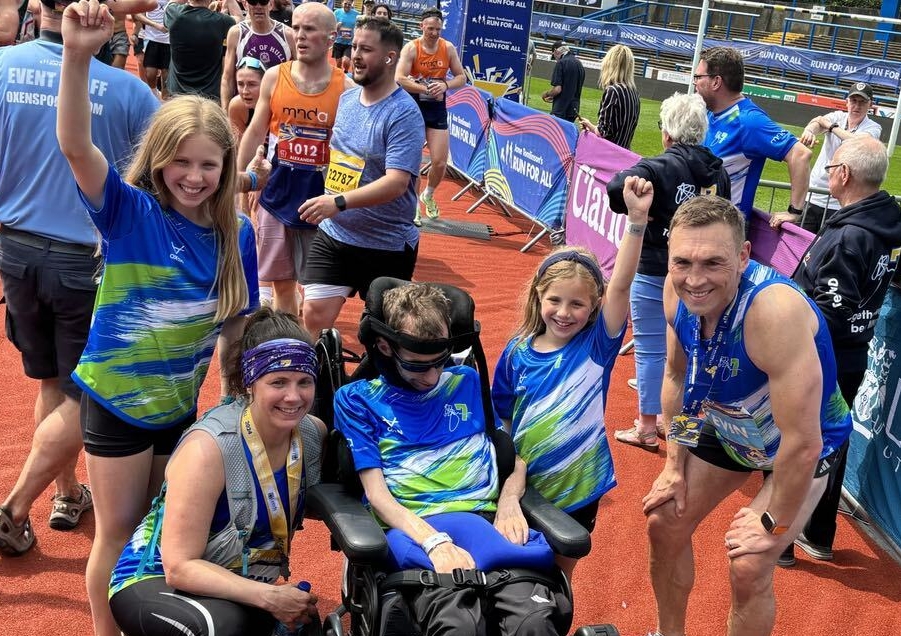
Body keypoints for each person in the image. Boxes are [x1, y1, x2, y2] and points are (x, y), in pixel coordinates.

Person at [56, 1, 264, 633]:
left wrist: (239, 402)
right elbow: (73, 143)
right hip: (118, 399)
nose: (195, 177)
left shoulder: (240, 236)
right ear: (158, 159)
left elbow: (235, 327)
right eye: (182, 162)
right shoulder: (130, 212)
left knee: (153, 526)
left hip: (179, 407)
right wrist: (76, 56)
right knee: (117, 531)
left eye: (210, 164)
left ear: (227, 168)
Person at [641, 195, 852, 636]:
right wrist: (674, 464)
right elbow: (679, 378)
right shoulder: (674, 291)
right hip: (729, 419)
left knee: (750, 564)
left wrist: (772, 521)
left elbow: (803, 442)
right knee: (664, 520)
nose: (694, 280)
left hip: (801, 443)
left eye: (713, 264)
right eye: (683, 262)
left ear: (743, 257)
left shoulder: (773, 313)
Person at [0, 0, 158, 558]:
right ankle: (17, 505)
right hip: (86, 259)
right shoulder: (130, 91)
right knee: (83, 388)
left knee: (52, 383)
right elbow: (165, 176)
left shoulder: (2, 67)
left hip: (15, 250)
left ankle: (66, 492)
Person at [334, 282, 569, 636]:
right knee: (458, 627)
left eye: (439, 363)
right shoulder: (357, 400)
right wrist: (435, 542)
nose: (431, 377)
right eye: (417, 366)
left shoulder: (467, 381)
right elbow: (378, 496)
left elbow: (513, 460)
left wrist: (508, 502)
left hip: (489, 523)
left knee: (534, 624)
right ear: (385, 346)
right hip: (417, 530)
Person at [108, 308, 324, 636]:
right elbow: (179, 568)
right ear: (249, 382)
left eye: (304, 382)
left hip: (234, 581)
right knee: (221, 628)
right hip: (155, 579)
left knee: (306, 624)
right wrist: (270, 596)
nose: (293, 396)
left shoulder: (311, 434)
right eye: (278, 382)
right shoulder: (207, 450)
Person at [491, 177, 652, 580]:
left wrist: (636, 221)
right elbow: (501, 418)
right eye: (555, 301)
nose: (564, 312)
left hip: (580, 487)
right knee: (513, 567)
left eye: (577, 303)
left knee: (561, 577)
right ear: (538, 298)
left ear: (594, 305)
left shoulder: (597, 347)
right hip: (523, 481)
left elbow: (621, 287)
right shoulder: (516, 352)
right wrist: (508, 471)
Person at [778, 135, 901, 568]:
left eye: (831, 169)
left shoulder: (850, 234)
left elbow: (830, 309)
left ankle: (781, 539)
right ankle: (818, 534)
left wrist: (792, 351)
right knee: (831, 443)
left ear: (845, 175)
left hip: (820, 360)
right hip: (853, 356)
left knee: (798, 444)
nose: (828, 174)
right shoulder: (882, 223)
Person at [600, 93, 731, 451]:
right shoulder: (718, 173)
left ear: (668, 132)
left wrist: (647, 205)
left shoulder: (657, 166)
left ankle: (646, 426)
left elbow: (615, 189)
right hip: (701, 279)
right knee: (691, 356)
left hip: (657, 267)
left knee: (651, 348)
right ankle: (682, 433)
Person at [297, 16, 425, 335]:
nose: (355, 54)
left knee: (382, 336)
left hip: (386, 244)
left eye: (365, 49)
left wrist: (338, 202)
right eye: (354, 46)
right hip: (335, 234)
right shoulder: (347, 100)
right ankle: (315, 383)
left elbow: (396, 183)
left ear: (389, 57)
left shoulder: (404, 113)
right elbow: (340, 160)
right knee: (312, 314)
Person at [237, 1, 354, 317]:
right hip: (275, 196)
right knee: (282, 286)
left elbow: (355, 152)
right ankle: (291, 350)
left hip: (320, 202)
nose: (300, 36)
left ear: (331, 37)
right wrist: (239, 178)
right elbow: (255, 130)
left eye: (310, 29)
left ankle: (311, 348)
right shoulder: (275, 77)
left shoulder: (348, 88)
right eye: (297, 28)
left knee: (316, 295)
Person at [694, 46, 811, 221]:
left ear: (716, 82)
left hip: (725, 229)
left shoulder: (748, 121)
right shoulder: (710, 113)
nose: (694, 82)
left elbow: (800, 154)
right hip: (700, 220)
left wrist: (794, 212)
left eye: (698, 77)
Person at [771, 82, 882, 233]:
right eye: (854, 101)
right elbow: (816, 122)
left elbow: (856, 142)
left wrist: (830, 126)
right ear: (847, 102)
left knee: (829, 249)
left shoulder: (873, 127)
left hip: (841, 201)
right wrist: (810, 131)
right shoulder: (837, 116)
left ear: (870, 104)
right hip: (814, 194)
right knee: (802, 245)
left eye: (862, 102)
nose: (857, 106)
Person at [396, 6, 466, 225]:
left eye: (438, 29)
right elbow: (399, 77)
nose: (434, 33)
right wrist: (424, 88)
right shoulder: (412, 48)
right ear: (421, 27)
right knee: (413, 160)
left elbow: (461, 77)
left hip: (436, 108)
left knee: (439, 161)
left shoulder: (448, 48)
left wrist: (445, 85)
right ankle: (414, 204)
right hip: (413, 107)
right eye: (430, 29)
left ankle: (429, 193)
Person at [220, 0, 295, 111]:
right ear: (245, 4)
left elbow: (301, 74)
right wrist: (225, 112)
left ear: (270, 4)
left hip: (277, 108)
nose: (258, 6)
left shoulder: (288, 35)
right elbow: (227, 78)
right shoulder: (237, 33)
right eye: (253, 2)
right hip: (245, 108)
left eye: (263, 2)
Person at [165, 0, 238, 101]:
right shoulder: (221, 21)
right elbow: (240, 21)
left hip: (178, 94)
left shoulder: (174, 14)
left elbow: (171, 4)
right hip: (209, 96)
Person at [595, 44, 640, 150]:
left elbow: (604, 132)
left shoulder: (613, 91)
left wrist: (590, 127)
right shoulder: (634, 93)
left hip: (609, 155)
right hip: (623, 153)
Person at [133, 0, 171, 100]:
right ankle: (154, 97)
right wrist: (155, 25)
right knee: (150, 74)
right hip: (151, 38)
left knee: (166, 75)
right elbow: (137, 14)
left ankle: (164, 101)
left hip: (169, 41)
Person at [541, 40, 584, 123]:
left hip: (560, 108)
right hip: (573, 109)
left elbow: (557, 89)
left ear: (556, 51)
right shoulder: (579, 64)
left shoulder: (561, 63)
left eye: (554, 56)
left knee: (554, 134)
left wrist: (547, 94)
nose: (556, 60)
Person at [228, 56, 267, 146]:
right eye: (240, 84)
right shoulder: (237, 106)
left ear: (265, 83)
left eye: (252, 84)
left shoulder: (278, 103)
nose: (245, 91)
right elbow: (240, 150)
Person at [332, 0, 357, 72]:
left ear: (351, 4)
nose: (347, 5)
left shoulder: (356, 14)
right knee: (338, 64)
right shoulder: (337, 12)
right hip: (338, 42)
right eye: (345, 4)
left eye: (349, 4)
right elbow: (331, 26)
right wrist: (336, 26)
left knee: (346, 62)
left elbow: (359, 27)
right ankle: (340, 76)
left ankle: (346, 71)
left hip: (349, 43)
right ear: (342, 3)